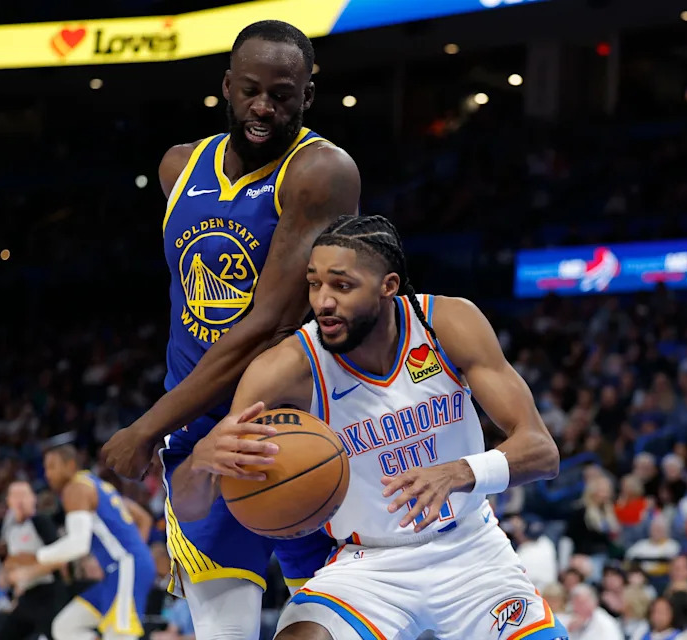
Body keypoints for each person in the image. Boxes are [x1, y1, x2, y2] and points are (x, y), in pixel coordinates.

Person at [171, 215, 565, 639]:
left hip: (472, 552)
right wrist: (201, 462)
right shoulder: (284, 369)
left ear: (388, 286)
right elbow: (191, 507)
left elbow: (542, 452)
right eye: (314, 283)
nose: (323, 301)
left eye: (342, 286)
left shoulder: (447, 323)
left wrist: (459, 472)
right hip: (368, 568)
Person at [100, 18, 360, 640]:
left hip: (298, 427)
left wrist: (146, 425)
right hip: (203, 438)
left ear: (308, 96)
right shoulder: (179, 168)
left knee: (334, 628)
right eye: (250, 90)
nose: (263, 107)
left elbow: (267, 324)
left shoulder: (321, 171)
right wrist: (172, 426)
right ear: (226, 86)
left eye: (282, 94)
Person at [8, 445, 155, 640]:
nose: (47, 474)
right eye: (45, 468)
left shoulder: (75, 488)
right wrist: (134, 552)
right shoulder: (95, 483)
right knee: (66, 627)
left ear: (70, 465)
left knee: (119, 635)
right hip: (118, 570)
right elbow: (143, 518)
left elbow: (78, 545)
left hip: (126, 567)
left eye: (52, 466)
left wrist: (36, 558)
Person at [0, 481, 70, 640]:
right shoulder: (11, 530)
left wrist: (28, 572)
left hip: (49, 593)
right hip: (27, 596)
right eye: (15, 496)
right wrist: (6, 574)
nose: (20, 501)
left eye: (24, 495)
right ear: (9, 501)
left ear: (33, 499)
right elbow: (14, 561)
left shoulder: (40, 522)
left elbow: (60, 559)